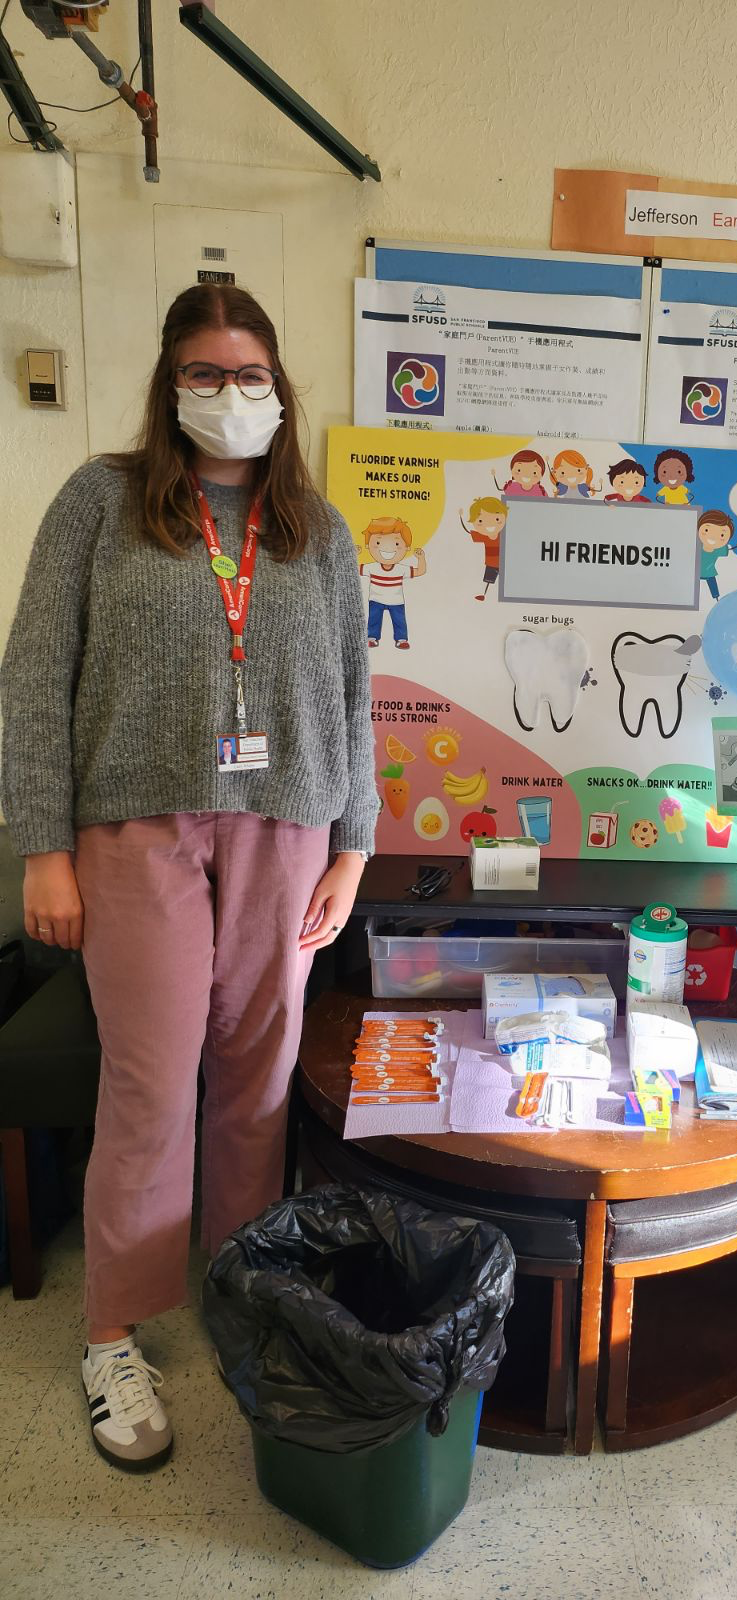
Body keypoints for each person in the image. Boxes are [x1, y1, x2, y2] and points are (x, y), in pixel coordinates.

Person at [0, 283, 376, 1472]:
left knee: (257, 1075)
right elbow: (33, 676)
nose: (230, 394)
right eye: (206, 373)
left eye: (250, 373)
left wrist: (356, 843)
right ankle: (112, 1327)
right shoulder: (100, 503)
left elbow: (356, 696)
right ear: (171, 384)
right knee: (153, 1081)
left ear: (281, 387)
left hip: (287, 827)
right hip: (138, 828)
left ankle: (243, 1287)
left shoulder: (316, 526)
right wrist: (41, 844)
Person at [359, 517, 425, 646]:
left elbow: (419, 571)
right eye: (378, 543)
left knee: (399, 620)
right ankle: (371, 637)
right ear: (368, 546)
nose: (388, 548)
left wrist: (421, 559)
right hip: (376, 599)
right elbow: (355, 569)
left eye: (396, 544)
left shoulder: (400, 569)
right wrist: (353, 555)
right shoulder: (372, 567)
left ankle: (401, 639)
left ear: (406, 548)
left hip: (396, 601)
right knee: (374, 619)